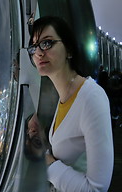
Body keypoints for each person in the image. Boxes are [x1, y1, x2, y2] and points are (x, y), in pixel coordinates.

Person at [27, 16, 114, 191]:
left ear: (69, 51)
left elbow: (96, 189)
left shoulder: (91, 98)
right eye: (34, 47)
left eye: (47, 43)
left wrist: (48, 163)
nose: (38, 53)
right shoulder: (65, 95)